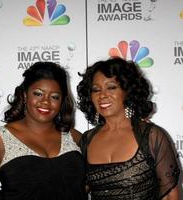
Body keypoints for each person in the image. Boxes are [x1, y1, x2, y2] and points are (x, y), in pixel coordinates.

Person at [0, 61, 87, 200]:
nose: (45, 101)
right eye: (38, 94)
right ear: (25, 95)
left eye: (54, 97)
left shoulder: (74, 137)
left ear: (62, 101)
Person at [77, 57, 180, 200]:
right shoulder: (87, 140)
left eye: (111, 87)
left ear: (128, 91)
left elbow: (170, 195)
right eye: (96, 90)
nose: (102, 95)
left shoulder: (151, 136)